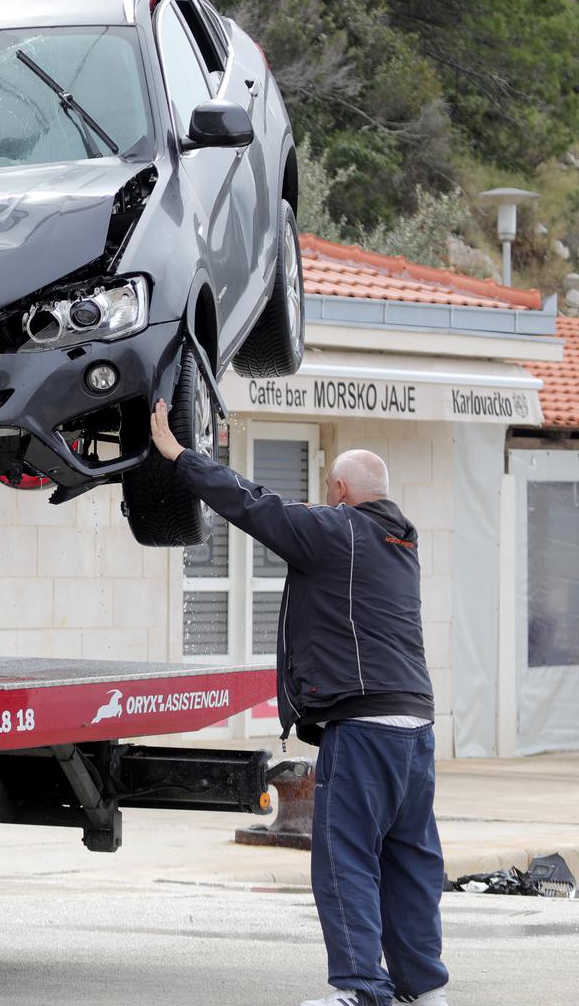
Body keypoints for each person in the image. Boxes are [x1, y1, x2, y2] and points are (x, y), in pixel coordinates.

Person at [150, 401, 449, 1006]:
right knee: (411, 861)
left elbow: (254, 505)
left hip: (363, 730)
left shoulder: (337, 530)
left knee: (344, 859)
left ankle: (363, 988)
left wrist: (183, 458)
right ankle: (423, 990)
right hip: (415, 730)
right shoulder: (400, 542)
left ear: (340, 489)